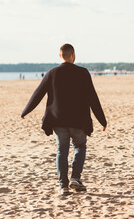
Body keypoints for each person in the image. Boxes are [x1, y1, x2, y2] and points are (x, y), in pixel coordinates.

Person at [21, 44, 107, 195]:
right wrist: (102, 120)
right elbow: (93, 98)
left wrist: (25, 111)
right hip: (79, 121)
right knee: (80, 147)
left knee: (62, 150)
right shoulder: (83, 73)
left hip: (58, 120)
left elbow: (38, 94)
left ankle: (63, 186)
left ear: (60, 56)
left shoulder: (52, 73)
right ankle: (75, 178)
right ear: (73, 55)